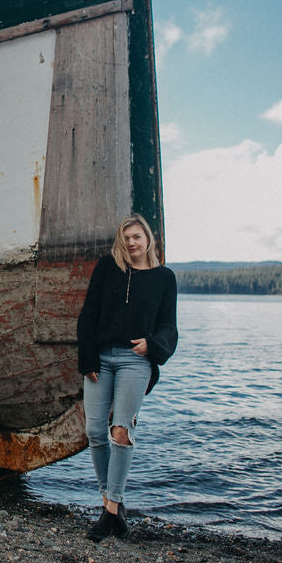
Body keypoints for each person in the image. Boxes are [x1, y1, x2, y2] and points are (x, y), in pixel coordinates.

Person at [77, 214, 178, 542]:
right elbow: (88, 314)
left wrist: (154, 345)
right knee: (95, 430)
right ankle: (113, 509)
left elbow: (169, 326)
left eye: (137, 236)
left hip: (135, 361)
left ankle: (109, 511)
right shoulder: (108, 268)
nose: (132, 243)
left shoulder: (165, 278)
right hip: (101, 359)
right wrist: (88, 356)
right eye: (126, 238)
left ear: (148, 238)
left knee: (121, 431)